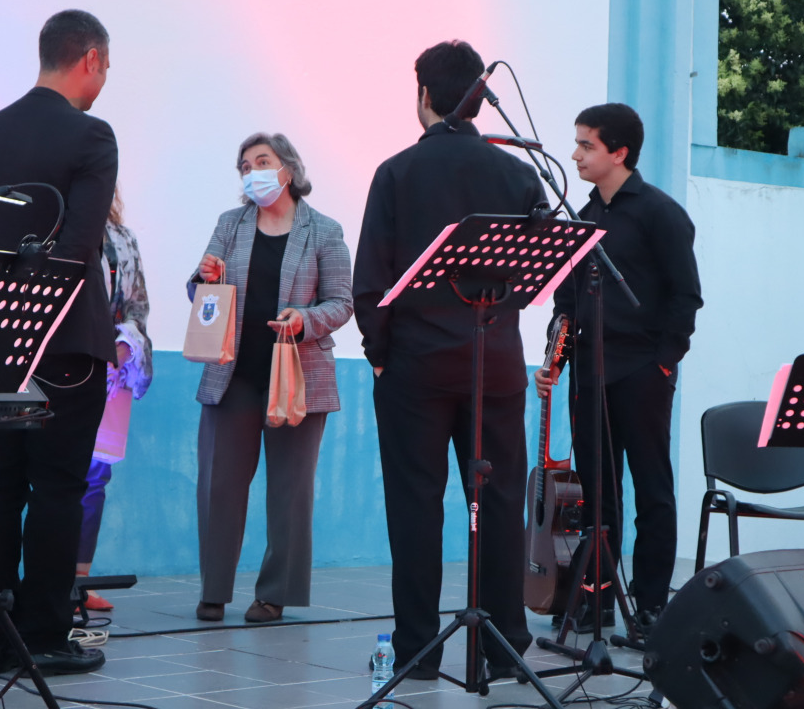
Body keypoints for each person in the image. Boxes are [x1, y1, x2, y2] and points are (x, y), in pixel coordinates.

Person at [352, 40, 546, 680]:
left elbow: (371, 281)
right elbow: (536, 273)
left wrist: (379, 355)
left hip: (415, 367)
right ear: (479, 100)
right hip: (495, 364)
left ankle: (418, 650)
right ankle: (506, 640)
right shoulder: (520, 176)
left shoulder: (397, 172)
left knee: (416, 503)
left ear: (426, 97)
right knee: (497, 500)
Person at [0, 9, 116, 674]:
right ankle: (41, 637)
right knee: (60, 487)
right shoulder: (91, 136)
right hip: (64, 345)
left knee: (0, 485)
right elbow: (78, 250)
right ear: (90, 59)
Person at [534, 102, 702, 631]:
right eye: (578, 143)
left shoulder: (660, 212)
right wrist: (553, 362)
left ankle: (651, 606)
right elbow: (567, 302)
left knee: (651, 490)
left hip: (641, 370)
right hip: (589, 372)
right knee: (597, 494)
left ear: (619, 152)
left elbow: (686, 298)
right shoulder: (585, 218)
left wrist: (663, 364)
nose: (576, 154)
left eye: (587, 145)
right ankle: (597, 597)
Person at [190, 132, 352, 624]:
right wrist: (202, 279)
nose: (251, 171)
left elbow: (342, 302)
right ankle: (214, 590)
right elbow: (202, 293)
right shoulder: (230, 224)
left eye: (261, 161)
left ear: (288, 168)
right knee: (219, 485)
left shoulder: (323, 230)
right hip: (233, 375)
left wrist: (304, 319)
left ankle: (274, 594)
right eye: (244, 166)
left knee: (290, 491)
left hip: (298, 375)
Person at [77, 188, 153, 612]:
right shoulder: (51, 230)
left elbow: (137, 306)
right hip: (58, 368)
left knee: (94, 479)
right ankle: (33, 582)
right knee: (50, 478)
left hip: (111, 370)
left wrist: (124, 344)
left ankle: (77, 584)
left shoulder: (122, 238)